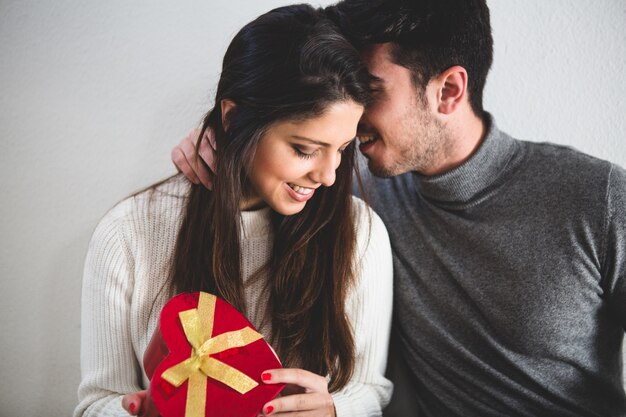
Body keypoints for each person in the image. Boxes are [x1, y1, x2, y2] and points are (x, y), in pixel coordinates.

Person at [173, 0, 626, 415]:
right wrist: (231, 140)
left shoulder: (597, 197)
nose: (346, 111)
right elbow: (282, 150)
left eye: (367, 90)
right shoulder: (341, 183)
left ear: (448, 90)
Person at [75, 5, 395, 417]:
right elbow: (95, 402)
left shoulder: (360, 232)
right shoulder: (128, 233)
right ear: (233, 117)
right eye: (304, 150)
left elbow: (370, 388)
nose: (329, 177)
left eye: (343, 149)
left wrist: (336, 409)